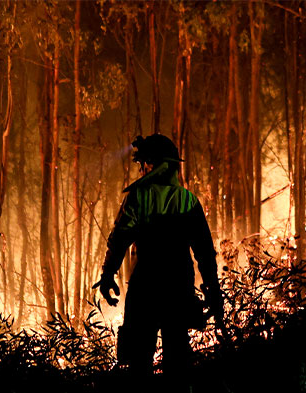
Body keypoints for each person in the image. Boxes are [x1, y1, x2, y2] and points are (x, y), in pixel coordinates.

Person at [93, 134, 223, 376]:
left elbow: (119, 239)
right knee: (178, 362)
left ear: (154, 165)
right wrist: (213, 290)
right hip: (178, 288)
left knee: (138, 361)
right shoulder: (187, 201)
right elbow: (205, 252)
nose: (141, 170)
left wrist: (108, 274)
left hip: (145, 288)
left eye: (143, 164)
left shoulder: (138, 198)